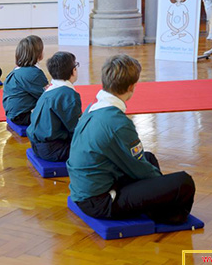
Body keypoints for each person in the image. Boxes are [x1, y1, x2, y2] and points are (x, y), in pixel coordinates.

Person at [67, 54, 195, 224]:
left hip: (85, 189)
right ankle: (166, 214)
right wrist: (162, 187)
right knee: (184, 182)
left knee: (148, 157)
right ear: (131, 87)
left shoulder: (93, 108)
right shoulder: (117, 122)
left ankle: (156, 204)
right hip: (100, 202)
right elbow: (140, 169)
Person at [27, 52, 82, 162]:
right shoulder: (68, 94)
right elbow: (75, 129)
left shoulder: (49, 90)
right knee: (97, 149)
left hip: (37, 145)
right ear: (73, 71)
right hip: (53, 150)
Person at [2, 35, 48, 126]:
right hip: (23, 116)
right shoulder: (34, 74)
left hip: (13, 113)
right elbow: (46, 97)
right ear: (39, 53)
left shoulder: (16, 70)